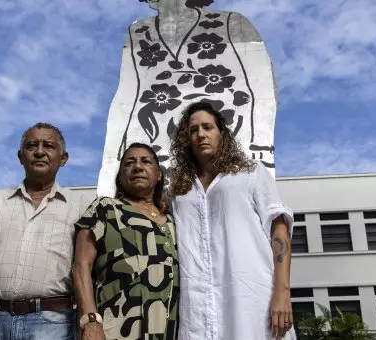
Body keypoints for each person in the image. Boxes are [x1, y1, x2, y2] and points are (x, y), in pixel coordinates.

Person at [96, 0, 279, 197]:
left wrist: (258, 145)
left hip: (222, 140)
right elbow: (128, 93)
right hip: (156, 138)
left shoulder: (231, 24)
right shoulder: (140, 31)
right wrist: (115, 158)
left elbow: (261, 88)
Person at [0, 123, 92, 340]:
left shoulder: (80, 206)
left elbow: (85, 268)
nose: (39, 151)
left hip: (54, 323)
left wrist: (88, 321)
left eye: (48, 146)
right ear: (20, 156)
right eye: (31, 145)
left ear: (63, 158)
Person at [169, 102, 295, 340]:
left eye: (208, 127)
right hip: (196, 308)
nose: (200, 135)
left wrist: (282, 291)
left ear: (221, 133)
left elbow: (278, 228)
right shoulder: (177, 189)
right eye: (193, 130)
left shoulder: (249, 172)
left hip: (251, 299)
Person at [73, 143, 179, 340]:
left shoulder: (173, 221)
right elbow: (81, 265)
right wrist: (90, 320)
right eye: (129, 163)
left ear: (158, 175)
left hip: (169, 330)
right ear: (120, 178)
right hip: (117, 329)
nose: (138, 167)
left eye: (146, 161)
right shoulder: (105, 208)